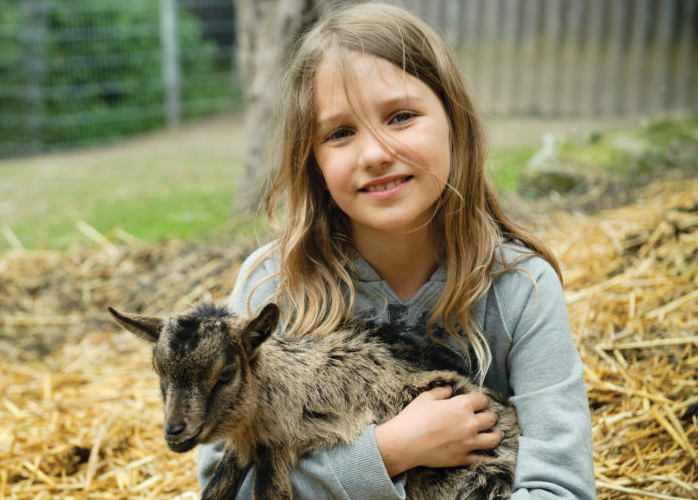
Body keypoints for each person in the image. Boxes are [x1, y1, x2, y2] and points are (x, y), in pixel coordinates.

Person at [198, 3, 595, 498]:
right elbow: (226, 487)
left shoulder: (520, 288)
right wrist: (389, 451)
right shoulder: (273, 292)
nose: (375, 153)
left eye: (401, 116)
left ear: (455, 121)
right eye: (340, 133)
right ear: (313, 159)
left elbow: (561, 485)